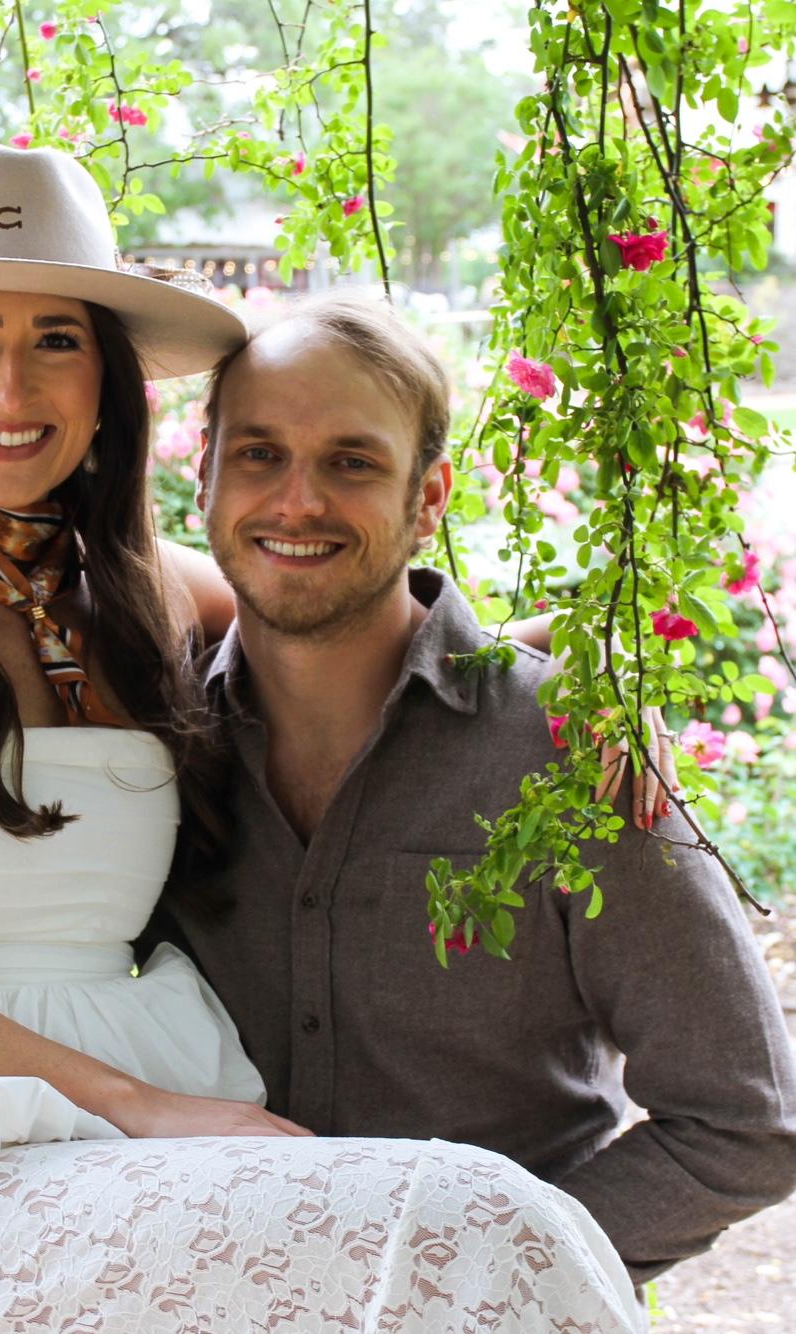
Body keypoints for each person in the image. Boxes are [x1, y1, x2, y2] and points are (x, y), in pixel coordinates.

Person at [0, 143, 647, 1332]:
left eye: (55, 339)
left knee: (457, 1237)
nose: (10, 385)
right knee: (461, 1210)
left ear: (106, 378)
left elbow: (360, 626)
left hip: (144, 1129)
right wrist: (137, 1106)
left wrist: (571, 673)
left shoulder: (145, 589)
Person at [146, 288, 796, 1293]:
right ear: (204, 476)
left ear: (429, 498)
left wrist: (485, 1281)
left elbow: (745, 1118)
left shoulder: (573, 751)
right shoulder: (149, 751)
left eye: (351, 462)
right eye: (259, 453)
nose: (297, 501)